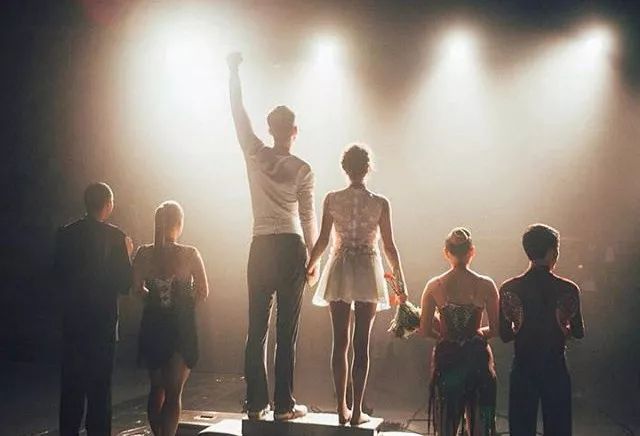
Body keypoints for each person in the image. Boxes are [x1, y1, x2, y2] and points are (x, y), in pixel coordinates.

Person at [227, 52, 318, 421]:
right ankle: (283, 405)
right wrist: (315, 258)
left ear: (269, 129)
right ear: (294, 130)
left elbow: (237, 112)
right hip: (291, 247)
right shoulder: (303, 168)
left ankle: (255, 403)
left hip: (261, 245)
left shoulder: (255, 152)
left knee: (256, 329)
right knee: (286, 331)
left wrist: (233, 72)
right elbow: (308, 217)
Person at [307, 144, 406, 425]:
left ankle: (341, 408)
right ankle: (357, 410)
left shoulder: (332, 199)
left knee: (340, 342)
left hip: (340, 269)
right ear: (368, 167)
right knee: (361, 343)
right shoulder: (380, 203)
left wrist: (310, 265)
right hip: (366, 271)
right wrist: (400, 282)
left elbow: (323, 240)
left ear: (344, 168)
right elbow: (389, 246)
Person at [53, 182, 133, 436]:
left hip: (73, 324)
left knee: (71, 389)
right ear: (108, 205)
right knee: (100, 391)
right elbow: (125, 283)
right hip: (103, 325)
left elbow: (57, 277)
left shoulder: (66, 234)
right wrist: (127, 254)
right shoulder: (116, 237)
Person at [499, 224, 584, 436]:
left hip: (523, 368)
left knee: (521, 429)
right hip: (555, 368)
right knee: (558, 429)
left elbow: (505, 335)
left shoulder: (509, 288)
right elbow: (578, 332)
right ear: (552, 252)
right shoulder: (568, 289)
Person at [132, 201, 209, 436]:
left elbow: (136, 289)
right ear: (179, 223)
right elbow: (203, 290)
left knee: (156, 389)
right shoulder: (190, 254)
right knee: (174, 394)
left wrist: (154, 302)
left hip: (153, 325)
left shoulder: (144, 253)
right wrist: (184, 306)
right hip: (180, 328)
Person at [419, 228, 499, 436]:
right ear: (472, 251)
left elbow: (424, 330)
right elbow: (496, 329)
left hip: (448, 359)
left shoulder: (434, 286)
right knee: (480, 427)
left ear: (446, 252)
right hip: (477, 360)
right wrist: (478, 334)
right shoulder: (486, 285)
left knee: (446, 426)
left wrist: (445, 337)